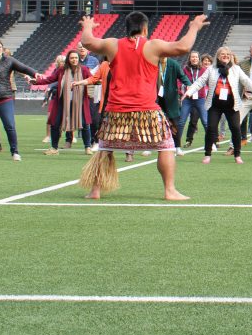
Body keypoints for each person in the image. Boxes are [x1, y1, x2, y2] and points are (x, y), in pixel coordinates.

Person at [78, 12, 207, 199]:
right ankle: (169, 190)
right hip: (146, 109)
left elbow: (88, 42)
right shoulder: (152, 45)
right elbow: (183, 47)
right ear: (145, 28)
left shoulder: (112, 44)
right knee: (166, 146)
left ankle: (95, 190)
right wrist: (194, 26)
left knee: (105, 147)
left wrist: (88, 25)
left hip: (116, 110)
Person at [183, 46, 252, 165]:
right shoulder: (211, 69)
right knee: (211, 129)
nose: (225, 56)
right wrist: (188, 92)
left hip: (232, 105)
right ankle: (207, 154)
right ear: (218, 56)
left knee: (235, 129)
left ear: (230, 57)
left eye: (228, 54)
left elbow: (247, 81)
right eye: (223, 54)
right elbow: (200, 82)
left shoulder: (236, 69)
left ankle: (237, 154)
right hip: (215, 105)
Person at [33, 49, 94, 156]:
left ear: (78, 59)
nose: (74, 60)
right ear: (68, 60)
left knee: (85, 124)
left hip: (79, 103)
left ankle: (87, 147)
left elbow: (92, 79)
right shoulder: (61, 70)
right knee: (55, 124)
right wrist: (36, 81)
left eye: (76, 58)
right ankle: (54, 148)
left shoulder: (84, 70)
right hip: (62, 102)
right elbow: (50, 79)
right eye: (72, 58)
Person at [155, 54, 191, 155]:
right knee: (153, 122)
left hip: (171, 98)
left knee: (175, 123)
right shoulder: (153, 62)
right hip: (154, 97)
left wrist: (189, 85)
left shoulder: (173, 64)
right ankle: (150, 147)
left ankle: (177, 147)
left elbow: (182, 76)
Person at [178, 51, 209, 148]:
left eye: (196, 57)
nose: (194, 59)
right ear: (189, 59)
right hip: (187, 99)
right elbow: (179, 81)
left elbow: (208, 82)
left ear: (198, 59)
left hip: (200, 99)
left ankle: (211, 143)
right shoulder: (184, 69)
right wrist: (184, 87)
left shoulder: (204, 70)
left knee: (205, 121)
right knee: (182, 121)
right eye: (192, 57)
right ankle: (176, 144)